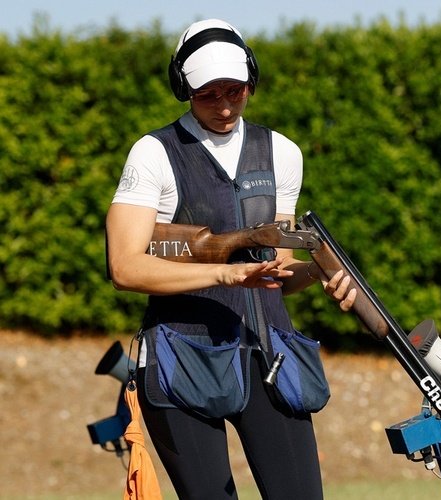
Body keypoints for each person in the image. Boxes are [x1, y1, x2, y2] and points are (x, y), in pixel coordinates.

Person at [106, 18, 355, 500]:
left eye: (235, 91)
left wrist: (317, 270)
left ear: (251, 81)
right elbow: (124, 266)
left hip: (269, 356)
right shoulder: (154, 153)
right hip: (182, 357)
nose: (223, 106)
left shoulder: (281, 152)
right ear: (183, 88)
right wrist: (224, 272)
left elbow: (277, 273)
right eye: (207, 94)